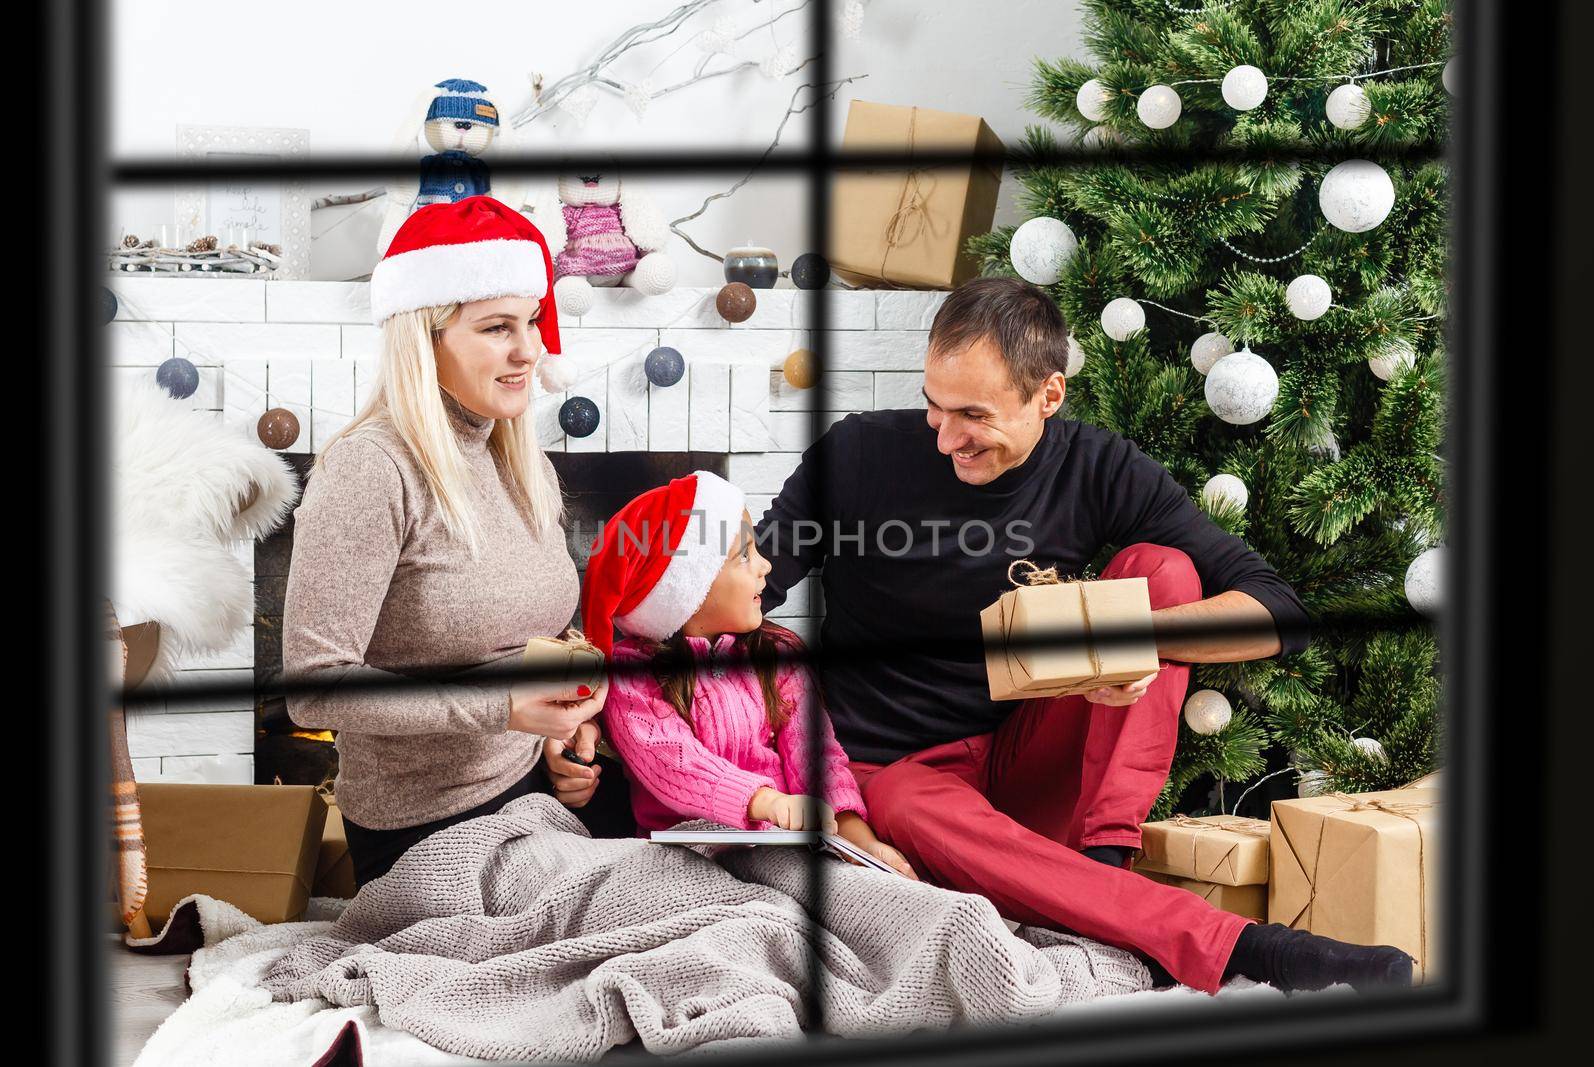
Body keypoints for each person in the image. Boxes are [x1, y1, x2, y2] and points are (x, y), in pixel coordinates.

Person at [755, 276, 1411, 993]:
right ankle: (1246, 947)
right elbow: (745, 592)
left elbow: (1277, 611)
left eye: (973, 414)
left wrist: (1113, 640)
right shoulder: (858, 453)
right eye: (933, 408)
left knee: (1163, 571)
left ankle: (1104, 871)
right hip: (894, 782)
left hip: (1026, 762)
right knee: (909, 799)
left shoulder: (1097, 465)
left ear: (1050, 395)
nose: (946, 439)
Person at [282, 196, 630, 889]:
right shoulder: (369, 468)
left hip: (533, 785)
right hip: (427, 827)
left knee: (741, 866)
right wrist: (502, 709)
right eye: (497, 327)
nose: (529, 348)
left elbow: (535, 629)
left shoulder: (516, 456)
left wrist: (558, 733)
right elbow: (312, 691)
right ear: (426, 338)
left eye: (530, 320)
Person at [578, 470, 915, 877]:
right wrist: (766, 800)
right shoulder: (634, 677)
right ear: (689, 588)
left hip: (780, 845)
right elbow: (674, 766)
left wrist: (857, 838)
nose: (765, 565)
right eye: (745, 555)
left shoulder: (777, 654)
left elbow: (814, 751)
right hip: (684, 860)